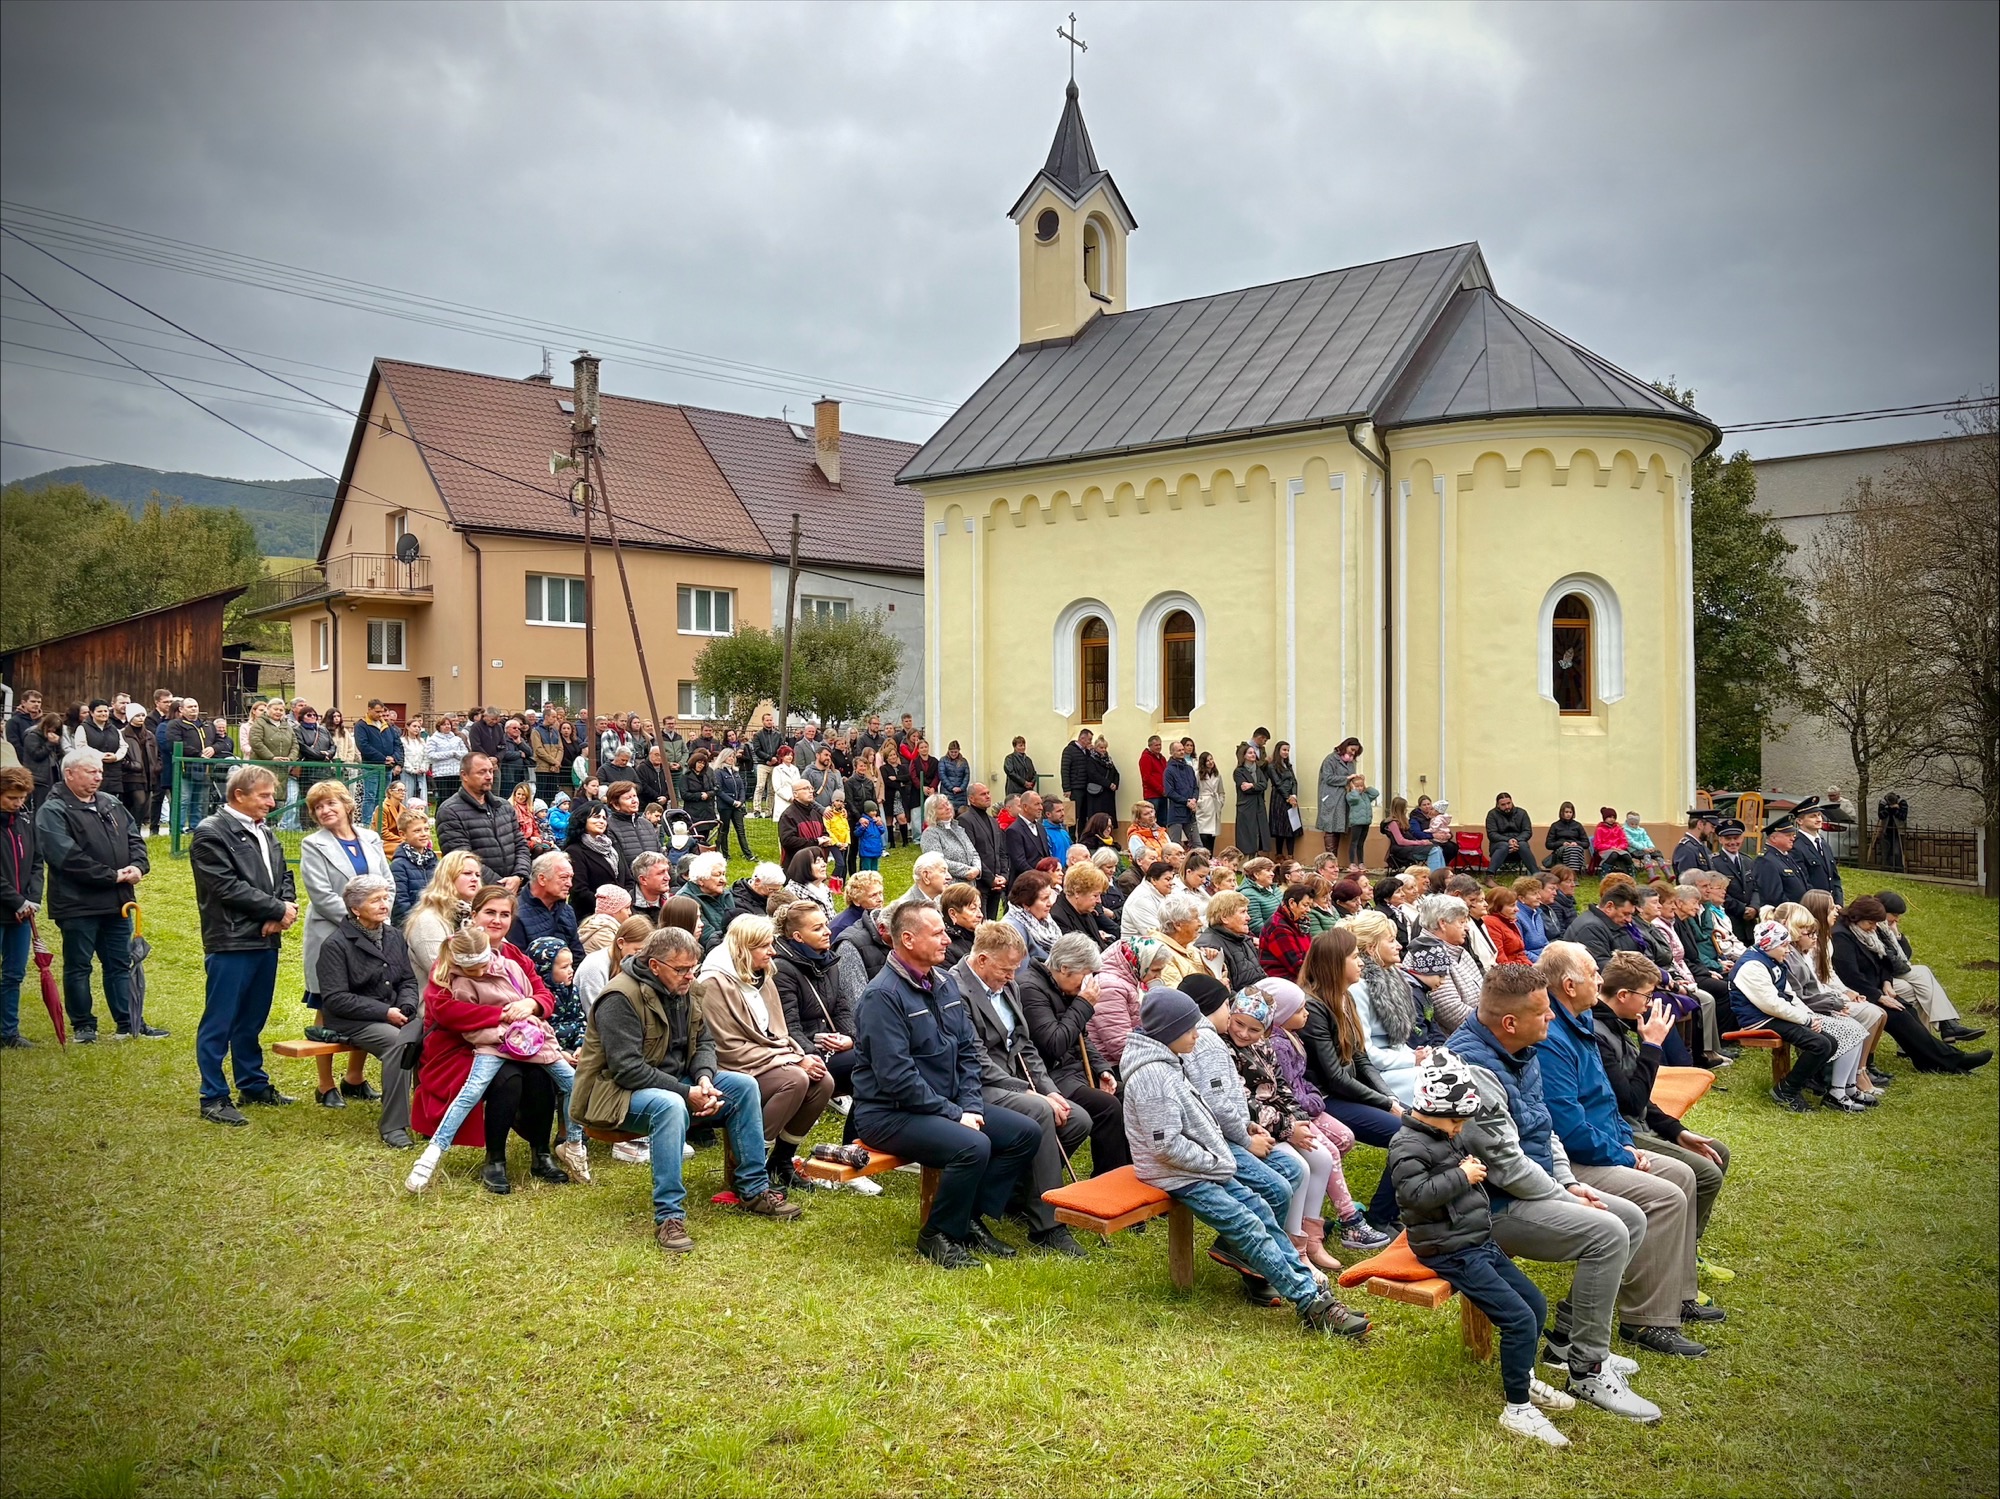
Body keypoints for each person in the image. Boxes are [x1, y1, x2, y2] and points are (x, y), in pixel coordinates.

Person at [1446, 964, 1682, 1392]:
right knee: (1609, 1231)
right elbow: (1503, 1166)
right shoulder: (1473, 1069)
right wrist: (1565, 1195)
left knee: (1630, 1218)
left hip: (1523, 1187)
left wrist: (1569, 1183)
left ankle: (1568, 1341)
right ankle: (1588, 1371)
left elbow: (1544, 1128)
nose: (1553, 1017)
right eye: (1543, 1012)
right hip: (1482, 1207)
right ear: (1510, 1021)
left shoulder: (1519, 1048)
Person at [1123, 987, 1364, 1336]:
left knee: (1262, 1212)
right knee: (1246, 1225)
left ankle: (1311, 1290)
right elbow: (1166, 1147)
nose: (1198, 1033)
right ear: (1169, 1032)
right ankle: (1310, 1304)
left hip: (1201, 1164)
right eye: (1191, 1027)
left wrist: (1234, 1137)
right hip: (1178, 1173)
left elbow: (1195, 1114)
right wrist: (1216, 1162)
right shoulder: (1151, 1077)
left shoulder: (1167, 1060)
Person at [1388, 1052, 1578, 1447]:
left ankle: (1522, 1376)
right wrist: (1462, 1175)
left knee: (1536, 1305)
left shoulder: (1442, 1136)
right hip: (1447, 1249)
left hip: (1475, 1240)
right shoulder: (1407, 1145)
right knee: (1519, 1320)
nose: (1460, 1128)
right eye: (1456, 1120)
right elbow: (1415, 1195)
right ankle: (1517, 1408)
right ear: (1431, 1110)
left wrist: (1463, 1169)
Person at [1535, 943, 1715, 1355]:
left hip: (1600, 1146)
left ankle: (1676, 1296)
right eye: (1593, 976)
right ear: (1568, 984)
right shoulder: (1556, 1036)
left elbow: (1609, 1103)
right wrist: (1622, 1153)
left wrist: (1628, 1143)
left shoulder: (1579, 1022)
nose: (1600, 982)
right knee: (1666, 1195)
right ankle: (1646, 1321)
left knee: (1684, 1175)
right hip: (1571, 1161)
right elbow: (1568, 1128)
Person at [848, 903, 1041, 1268]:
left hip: (944, 1103)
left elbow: (969, 1050)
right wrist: (955, 1114)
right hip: (888, 1113)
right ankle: (937, 1234)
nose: (946, 938)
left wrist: (968, 1105)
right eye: (937, 933)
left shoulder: (944, 982)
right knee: (972, 1145)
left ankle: (967, 1218)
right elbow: (896, 1078)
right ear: (907, 939)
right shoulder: (882, 996)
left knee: (1025, 1133)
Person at [410, 885, 569, 1193]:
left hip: (518, 1041)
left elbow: (544, 994)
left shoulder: (514, 955)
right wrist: (502, 1016)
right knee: (507, 1077)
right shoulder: (453, 950)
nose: (497, 920)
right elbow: (443, 1009)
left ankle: (541, 1152)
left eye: (505, 914)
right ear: (474, 915)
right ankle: (495, 1159)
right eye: (490, 912)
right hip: (460, 1045)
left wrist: (532, 1005)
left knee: (540, 1073)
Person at [951, 922, 1092, 1255]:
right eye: (1005, 969)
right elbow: (975, 1059)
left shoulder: (1007, 985)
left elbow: (1025, 1047)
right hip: (974, 1085)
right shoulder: (955, 991)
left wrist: (1048, 1087)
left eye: (1015, 968)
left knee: (1078, 1119)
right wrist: (1032, 1094)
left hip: (1015, 1081)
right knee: (1040, 1111)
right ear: (982, 960)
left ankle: (1018, 1196)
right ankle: (1047, 1227)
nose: (1012, 976)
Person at [1591, 952, 1733, 1248]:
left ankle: (1682, 1248)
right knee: (1705, 1173)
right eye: (1647, 994)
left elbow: (1640, 1099)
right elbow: (1629, 1102)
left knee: (1716, 1151)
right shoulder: (1598, 1034)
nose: (1651, 1001)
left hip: (1635, 1123)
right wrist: (1652, 1046)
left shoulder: (1617, 1025)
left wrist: (1676, 1130)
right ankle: (1679, 1252)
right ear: (1623, 994)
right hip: (1621, 1133)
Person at [187, 764, 298, 1121]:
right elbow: (225, 887)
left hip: (265, 938)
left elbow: (284, 874)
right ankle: (213, 1096)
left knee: (252, 1017)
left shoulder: (264, 831)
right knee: (220, 1020)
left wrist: (284, 907)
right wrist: (277, 908)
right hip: (231, 939)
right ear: (239, 795)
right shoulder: (211, 834)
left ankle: (252, 1083)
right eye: (264, 795)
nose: (272, 801)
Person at [694, 914, 836, 1192]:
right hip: (733, 1069)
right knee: (794, 1080)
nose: (772, 952)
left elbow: (778, 1032)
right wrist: (794, 1060)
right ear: (743, 948)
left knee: (824, 1082)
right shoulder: (713, 982)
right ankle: (748, 1166)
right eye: (764, 946)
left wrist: (801, 1054)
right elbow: (727, 1047)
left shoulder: (763, 974)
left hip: (766, 1059)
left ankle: (780, 1161)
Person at [37, 748, 156, 1043]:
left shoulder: (111, 803)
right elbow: (65, 856)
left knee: (119, 963)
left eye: (100, 771)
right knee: (79, 965)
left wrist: (138, 867)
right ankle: (83, 1026)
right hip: (77, 903)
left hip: (118, 903)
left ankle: (128, 1021)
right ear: (69, 774)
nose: (99, 777)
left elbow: (134, 837)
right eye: (91, 772)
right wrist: (111, 876)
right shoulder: (53, 811)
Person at [312, 874, 426, 1149]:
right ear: (355, 908)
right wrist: (386, 1012)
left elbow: (407, 981)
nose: (384, 904)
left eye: (385, 898)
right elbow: (336, 999)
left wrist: (408, 1007)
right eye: (375, 900)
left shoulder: (394, 936)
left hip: (395, 1014)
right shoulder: (335, 945)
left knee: (431, 1033)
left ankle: (427, 1119)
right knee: (398, 1043)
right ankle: (394, 1126)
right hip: (351, 1020)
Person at [299, 778, 390, 1104]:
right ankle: (325, 1085)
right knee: (328, 1005)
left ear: (347, 805)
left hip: (373, 934)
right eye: (317, 807)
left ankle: (354, 1078)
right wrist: (361, 922)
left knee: (368, 1003)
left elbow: (387, 884)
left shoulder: (372, 838)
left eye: (330, 803)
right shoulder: (313, 844)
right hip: (333, 936)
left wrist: (378, 918)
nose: (324, 810)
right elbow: (322, 896)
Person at [1831, 896, 1991, 1075]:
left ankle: (1928, 1061)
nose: (1874, 928)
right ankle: (1953, 1059)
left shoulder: (1864, 931)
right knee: (1901, 1017)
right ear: (1856, 917)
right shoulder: (1841, 936)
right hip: (1859, 994)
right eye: (1871, 923)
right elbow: (1850, 977)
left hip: (1875, 988)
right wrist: (1879, 997)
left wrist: (1886, 982)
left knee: (1909, 1011)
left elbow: (1883, 960)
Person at [1872, 889, 1984, 1044]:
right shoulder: (1871, 928)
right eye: (1894, 915)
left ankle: (1922, 1042)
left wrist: (1897, 936)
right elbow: (1894, 964)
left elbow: (1905, 955)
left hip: (1887, 975)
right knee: (1922, 975)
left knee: (1918, 988)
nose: (1897, 920)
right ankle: (1945, 1028)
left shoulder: (1885, 929)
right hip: (1876, 978)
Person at [436, 753, 528, 892]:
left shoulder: (504, 806)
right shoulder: (449, 811)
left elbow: (520, 844)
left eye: (491, 771)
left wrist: (519, 876)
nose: (489, 776)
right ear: (464, 775)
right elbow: (461, 858)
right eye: (482, 772)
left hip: (515, 890)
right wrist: (500, 887)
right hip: (477, 895)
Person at [0, 768, 44, 1047]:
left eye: (22, 797)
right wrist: (17, 900)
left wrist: (33, 898)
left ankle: (8, 1032)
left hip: (21, 914)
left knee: (15, 974)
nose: (17, 803)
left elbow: (37, 862)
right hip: (8, 907)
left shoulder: (25, 821)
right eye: (11, 798)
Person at [1402, 893, 1483, 1035]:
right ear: (1442, 923)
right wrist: (1495, 1021)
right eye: (1462, 922)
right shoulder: (1425, 954)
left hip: (1478, 1029)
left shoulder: (1457, 950)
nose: (1467, 928)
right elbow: (1452, 1013)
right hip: (1456, 1040)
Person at [402, 849, 483, 977]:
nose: (475, 879)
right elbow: (441, 972)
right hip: (442, 993)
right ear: (448, 877)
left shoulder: (478, 914)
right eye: (467, 873)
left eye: (477, 875)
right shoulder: (427, 920)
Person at [509, 850, 583, 963]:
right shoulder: (515, 914)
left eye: (571, 878)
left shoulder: (567, 911)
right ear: (542, 879)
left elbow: (578, 955)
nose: (570, 884)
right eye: (563, 878)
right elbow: (520, 965)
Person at [1314, 738, 1360, 857]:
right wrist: (1346, 779)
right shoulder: (1330, 759)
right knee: (1330, 827)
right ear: (1345, 746)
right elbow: (1328, 778)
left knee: (1338, 827)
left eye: (1356, 751)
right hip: (1331, 797)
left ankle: (1333, 860)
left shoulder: (1351, 762)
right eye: (1352, 749)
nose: (1353, 753)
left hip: (1343, 798)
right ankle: (1330, 858)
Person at [1483, 793, 1539, 874]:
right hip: (1498, 846)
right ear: (1497, 805)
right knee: (1503, 845)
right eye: (1503, 804)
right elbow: (1492, 834)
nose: (1507, 807)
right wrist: (1508, 841)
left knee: (1523, 845)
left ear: (1512, 802)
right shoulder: (1492, 814)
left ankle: (1537, 874)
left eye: (1509, 803)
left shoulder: (1522, 813)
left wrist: (1516, 840)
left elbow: (1527, 831)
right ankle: (1489, 875)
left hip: (1518, 845)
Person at [1230, 743, 1269, 856]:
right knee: (1247, 835)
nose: (1253, 755)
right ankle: (1246, 860)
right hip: (1246, 806)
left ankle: (1256, 856)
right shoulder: (1239, 771)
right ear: (1244, 755)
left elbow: (1264, 785)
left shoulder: (1258, 769)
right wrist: (1255, 786)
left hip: (1258, 805)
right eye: (1250, 753)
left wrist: (1252, 785)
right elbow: (1244, 788)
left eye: (1253, 752)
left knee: (1258, 833)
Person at [1544, 803, 1591, 873]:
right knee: (1571, 850)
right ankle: (1573, 874)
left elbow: (1586, 843)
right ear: (1562, 813)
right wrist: (1562, 843)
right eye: (1566, 812)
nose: (1568, 814)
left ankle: (1570, 874)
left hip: (1575, 848)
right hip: (1560, 850)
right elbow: (1548, 844)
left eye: (1570, 812)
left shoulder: (1578, 825)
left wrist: (1576, 843)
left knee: (1575, 849)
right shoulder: (1555, 826)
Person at [1671, 809, 1716, 877]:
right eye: (1712, 827)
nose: (1713, 831)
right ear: (1700, 824)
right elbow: (1689, 881)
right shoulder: (1686, 849)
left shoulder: (1700, 847)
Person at [1590, 807, 1632, 875]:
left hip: (1619, 849)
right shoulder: (1600, 829)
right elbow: (1597, 845)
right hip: (1605, 850)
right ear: (1605, 818)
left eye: (1613, 817)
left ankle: (1631, 874)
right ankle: (1605, 873)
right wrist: (1610, 847)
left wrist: (1619, 847)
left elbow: (1624, 842)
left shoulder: (1618, 828)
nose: (1612, 819)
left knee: (1626, 855)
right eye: (1609, 817)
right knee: (1613, 855)